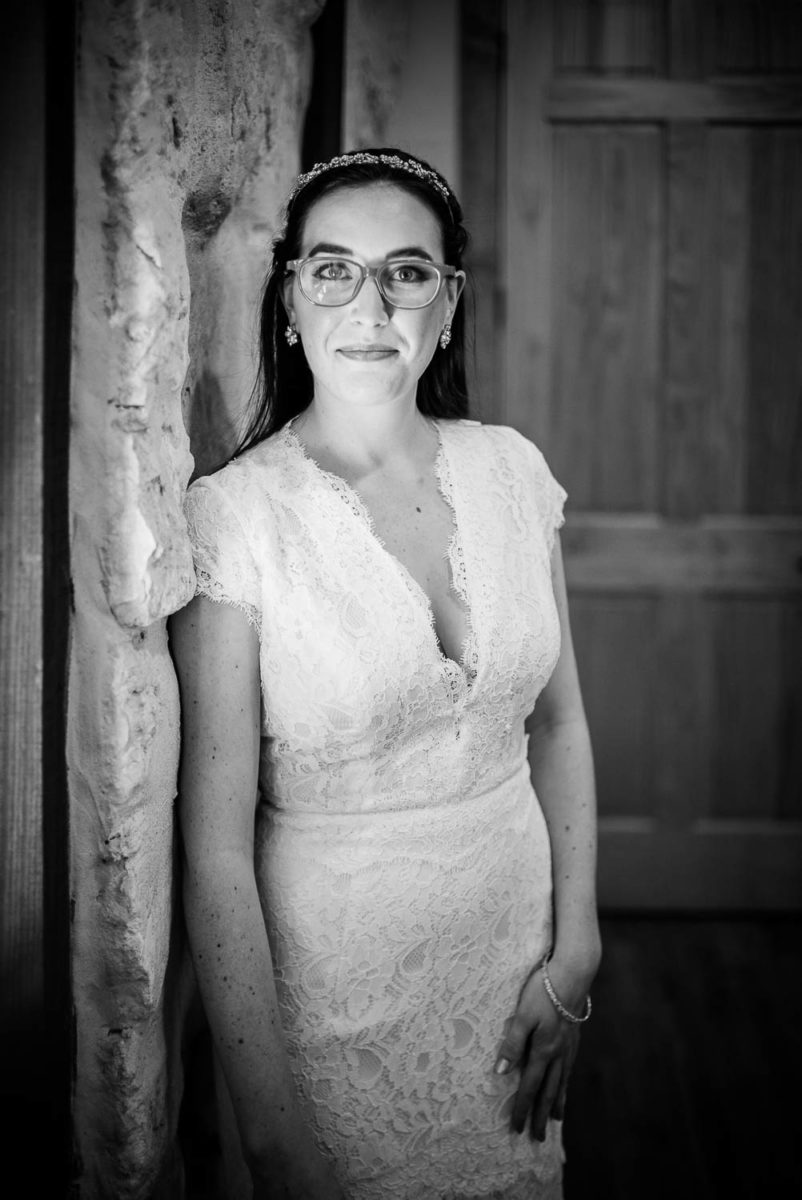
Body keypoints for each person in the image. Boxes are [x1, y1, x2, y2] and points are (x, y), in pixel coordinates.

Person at [171, 148, 601, 1200]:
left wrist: (578, 947)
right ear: (290, 299)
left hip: (514, 968)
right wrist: (270, 1134)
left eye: (406, 272)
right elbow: (216, 850)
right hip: (333, 1016)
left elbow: (557, 726)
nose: (369, 301)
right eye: (333, 269)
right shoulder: (236, 520)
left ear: (447, 306)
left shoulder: (511, 471)